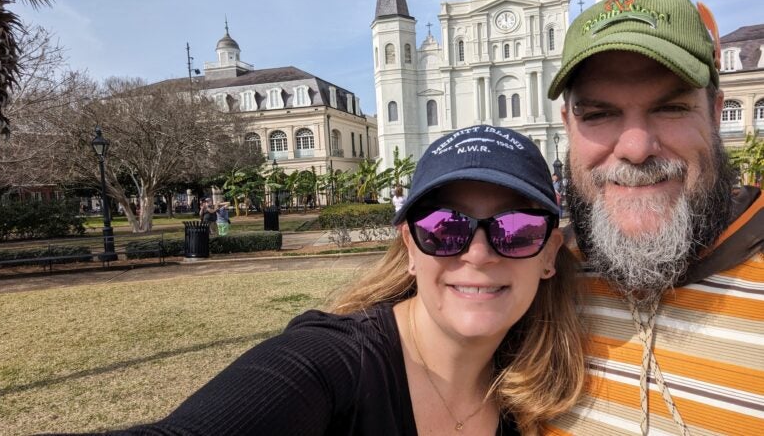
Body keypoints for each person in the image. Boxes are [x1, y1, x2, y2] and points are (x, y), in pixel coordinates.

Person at [60, 127, 585, 435]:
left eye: (516, 229)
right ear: (409, 247)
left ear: (548, 254)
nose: (478, 252)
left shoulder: (531, 385)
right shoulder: (335, 365)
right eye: (443, 228)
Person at [545, 0, 764, 435]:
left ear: (717, 113)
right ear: (568, 124)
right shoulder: (538, 280)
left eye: (670, 108)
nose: (636, 147)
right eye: (599, 114)